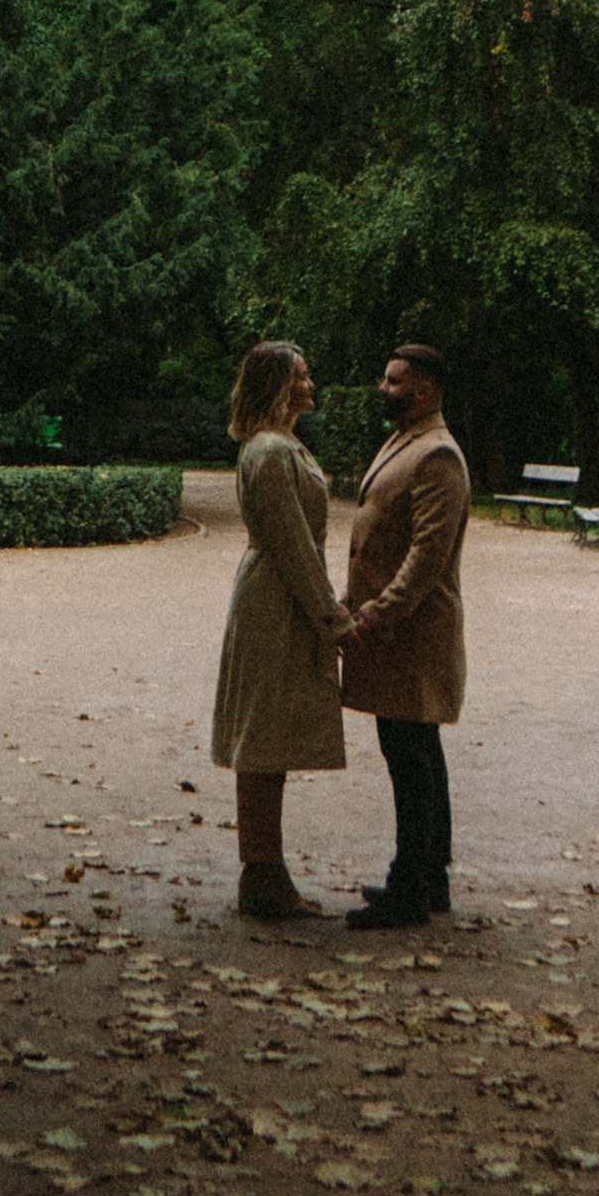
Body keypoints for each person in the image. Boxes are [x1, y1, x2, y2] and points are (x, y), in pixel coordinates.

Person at [210, 339, 356, 920]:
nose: (311, 383)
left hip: (280, 597)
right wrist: (335, 621)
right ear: (277, 384)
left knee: (268, 738)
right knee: (264, 738)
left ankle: (265, 871)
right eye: (301, 375)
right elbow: (294, 548)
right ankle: (262, 875)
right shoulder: (270, 451)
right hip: (275, 603)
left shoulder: (279, 445)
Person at [337, 341, 469, 928]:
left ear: (424, 390)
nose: (383, 390)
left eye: (393, 382)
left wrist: (375, 615)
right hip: (399, 633)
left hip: (412, 635)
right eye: (385, 379)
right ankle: (425, 877)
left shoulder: (438, 455)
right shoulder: (407, 439)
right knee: (414, 751)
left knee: (411, 756)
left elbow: (427, 558)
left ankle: (411, 889)